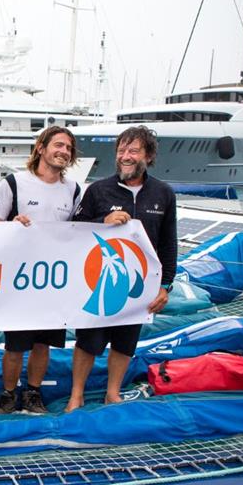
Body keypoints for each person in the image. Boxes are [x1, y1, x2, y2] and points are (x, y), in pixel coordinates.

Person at [65, 125, 177, 412]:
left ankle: (112, 393)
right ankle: (76, 394)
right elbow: (71, 232)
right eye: (121, 150)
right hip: (99, 281)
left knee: (125, 342)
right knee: (89, 340)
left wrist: (165, 286)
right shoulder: (98, 190)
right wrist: (103, 219)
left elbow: (168, 245)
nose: (125, 156)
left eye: (133, 151)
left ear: (148, 156)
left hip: (139, 286)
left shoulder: (164, 194)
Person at [0, 126, 82, 415]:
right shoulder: (14, 183)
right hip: (19, 279)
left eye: (68, 148)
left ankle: (33, 393)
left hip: (54, 280)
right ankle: (7, 394)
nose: (63, 151)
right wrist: (11, 225)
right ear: (41, 148)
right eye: (58, 145)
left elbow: (81, 231)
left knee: (43, 343)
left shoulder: (74, 190)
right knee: (15, 344)